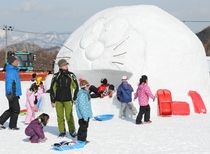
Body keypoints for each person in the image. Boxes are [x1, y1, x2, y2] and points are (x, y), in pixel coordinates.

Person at [50, 59, 79, 138]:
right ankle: (62, 131)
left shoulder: (71, 75)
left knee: (69, 116)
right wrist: (52, 100)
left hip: (68, 99)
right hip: (58, 100)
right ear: (60, 66)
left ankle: (72, 131)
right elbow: (52, 88)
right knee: (60, 116)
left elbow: (76, 87)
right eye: (64, 65)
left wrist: (75, 97)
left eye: (66, 64)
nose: (66, 66)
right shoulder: (56, 76)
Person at [0, 56, 22, 130]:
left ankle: (1, 122)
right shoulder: (11, 71)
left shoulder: (14, 70)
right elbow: (9, 83)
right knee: (16, 109)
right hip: (12, 93)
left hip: (14, 93)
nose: (17, 62)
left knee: (12, 109)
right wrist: (9, 93)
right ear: (12, 62)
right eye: (16, 61)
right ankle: (12, 126)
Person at [76, 79, 93, 143]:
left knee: (84, 127)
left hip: (86, 115)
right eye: (87, 86)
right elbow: (82, 106)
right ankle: (81, 140)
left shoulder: (86, 93)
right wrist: (85, 116)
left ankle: (81, 139)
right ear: (84, 87)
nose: (89, 87)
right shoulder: (82, 95)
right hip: (83, 116)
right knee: (83, 128)